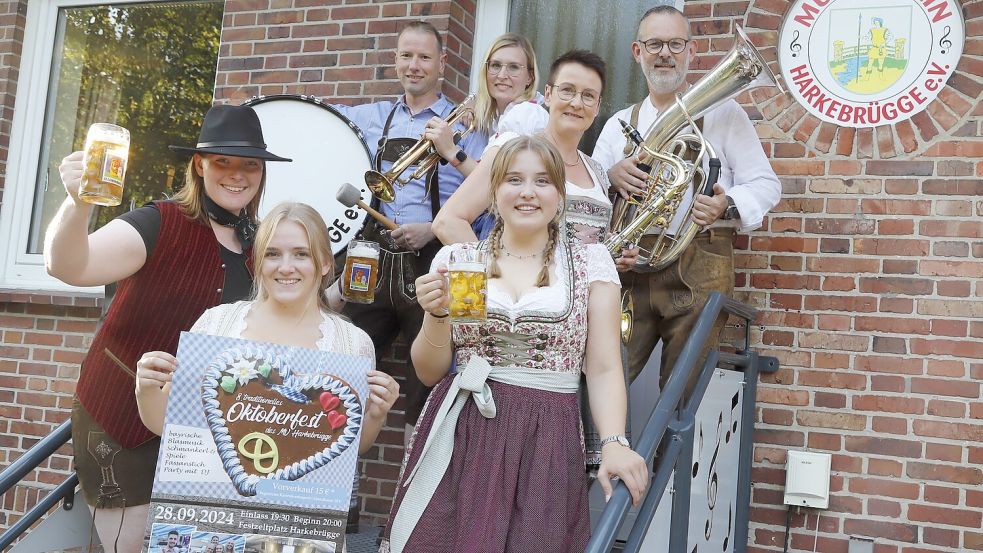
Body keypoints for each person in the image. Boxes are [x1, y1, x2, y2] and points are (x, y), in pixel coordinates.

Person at [379, 136, 648, 553]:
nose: (527, 192)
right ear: (493, 193)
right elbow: (430, 371)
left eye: (542, 181)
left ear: (560, 195)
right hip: (465, 430)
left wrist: (614, 442)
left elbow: (603, 367)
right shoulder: (461, 260)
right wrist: (436, 315)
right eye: (513, 180)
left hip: (547, 436)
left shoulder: (591, 263)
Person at [44, 104, 290, 552]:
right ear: (199, 166)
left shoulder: (260, 242)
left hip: (205, 433)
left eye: (250, 165)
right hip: (122, 419)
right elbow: (67, 265)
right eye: (223, 162)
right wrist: (77, 203)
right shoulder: (158, 222)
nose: (237, 175)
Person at [135, 203, 399, 553]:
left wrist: (377, 413)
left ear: (323, 263)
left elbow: (349, 446)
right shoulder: (218, 325)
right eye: (272, 254)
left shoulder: (351, 343)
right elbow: (168, 426)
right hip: (210, 526)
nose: (286, 267)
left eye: (301, 254)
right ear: (258, 263)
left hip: (298, 530)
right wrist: (145, 388)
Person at [592, 5, 781, 391]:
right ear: (637, 52)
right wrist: (609, 177)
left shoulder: (726, 114)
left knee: (683, 391)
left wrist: (725, 203)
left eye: (676, 44)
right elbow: (589, 200)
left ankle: (667, 456)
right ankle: (599, 451)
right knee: (601, 375)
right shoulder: (618, 124)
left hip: (701, 265)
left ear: (691, 52)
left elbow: (766, 184)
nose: (665, 53)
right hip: (629, 268)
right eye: (655, 43)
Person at [328, 21, 484, 437]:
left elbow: (490, 189)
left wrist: (433, 229)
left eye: (424, 57)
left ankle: (415, 484)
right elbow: (319, 127)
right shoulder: (369, 116)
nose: (414, 66)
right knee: (344, 361)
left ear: (442, 63)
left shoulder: (464, 127)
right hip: (370, 259)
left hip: (432, 262)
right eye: (405, 56)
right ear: (395, 61)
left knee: (428, 383)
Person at [433, 49, 617, 248]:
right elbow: (448, 222)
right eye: (567, 90)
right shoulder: (513, 150)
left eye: (588, 96)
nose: (576, 103)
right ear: (548, 94)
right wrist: (493, 275)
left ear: (597, 107)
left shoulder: (597, 172)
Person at [469, 32, 544, 238]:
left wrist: (451, 152)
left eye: (513, 67)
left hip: (503, 223)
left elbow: (491, 180)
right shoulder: (502, 118)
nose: (502, 75)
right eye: (495, 66)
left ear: (529, 77)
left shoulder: (527, 114)